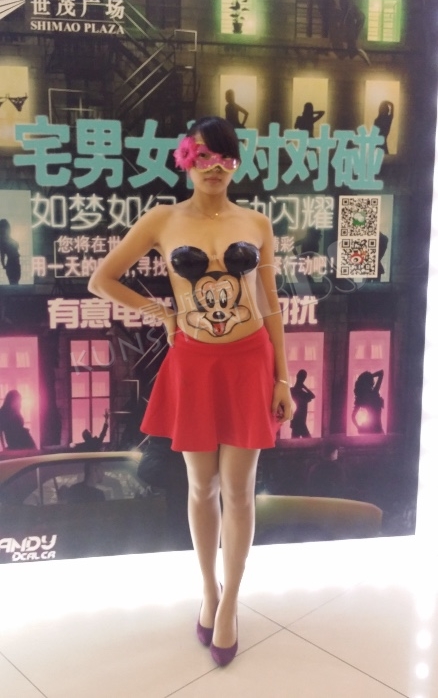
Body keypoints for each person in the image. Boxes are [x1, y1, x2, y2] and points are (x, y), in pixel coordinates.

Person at [88, 116, 292, 667]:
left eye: (224, 157)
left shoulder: (256, 222)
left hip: (249, 361)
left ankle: (231, 606)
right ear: (186, 160)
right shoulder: (163, 219)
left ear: (236, 163)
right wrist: (161, 312)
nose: (214, 167)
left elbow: (269, 302)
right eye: (203, 156)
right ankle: (209, 591)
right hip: (193, 365)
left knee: (240, 491)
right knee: (201, 487)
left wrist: (282, 376)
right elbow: (102, 279)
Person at [290, 369, 315, 438]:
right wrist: (303, 387)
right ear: (297, 376)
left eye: (304, 377)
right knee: (305, 438)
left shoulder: (301, 392)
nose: (303, 379)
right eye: (302, 377)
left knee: (296, 438)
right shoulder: (293, 390)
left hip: (300, 417)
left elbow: (313, 396)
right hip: (299, 418)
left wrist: (304, 387)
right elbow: (312, 396)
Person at [0, 219, 21, 285]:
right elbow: (2, 255)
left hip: (14, 264)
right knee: (14, 283)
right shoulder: (3, 241)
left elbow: (2, 255)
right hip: (13, 264)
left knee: (14, 283)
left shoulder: (5, 240)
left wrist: (4, 265)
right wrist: (3, 265)